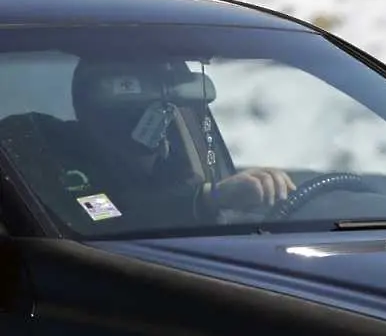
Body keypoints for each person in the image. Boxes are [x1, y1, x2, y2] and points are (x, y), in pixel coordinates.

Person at [0, 59, 296, 230]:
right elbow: (97, 221)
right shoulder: (44, 147)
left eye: (171, 108)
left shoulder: (175, 168)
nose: (165, 124)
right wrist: (209, 198)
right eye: (150, 106)